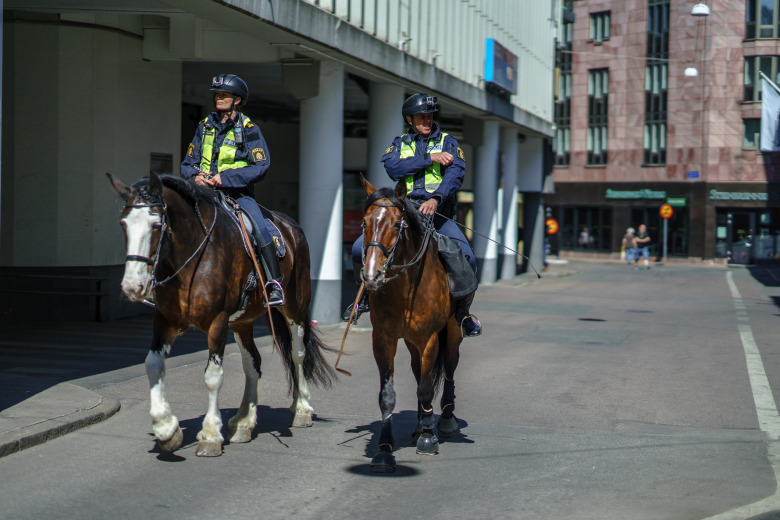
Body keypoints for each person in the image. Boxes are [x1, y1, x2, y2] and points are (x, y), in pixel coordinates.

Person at [343, 93, 481, 337]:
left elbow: (455, 175)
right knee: (357, 249)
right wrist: (430, 158)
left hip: (437, 212)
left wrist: (436, 199)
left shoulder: (448, 142)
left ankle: (463, 314)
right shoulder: (400, 143)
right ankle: (363, 299)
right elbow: (394, 168)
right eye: (421, 117)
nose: (427, 121)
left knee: (467, 257)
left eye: (429, 116)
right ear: (410, 120)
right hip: (405, 211)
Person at [180, 74, 284, 306]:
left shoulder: (249, 129)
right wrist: (195, 177)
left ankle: (274, 284)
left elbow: (261, 166)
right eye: (217, 94)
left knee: (258, 227)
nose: (218, 98)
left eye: (224, 95)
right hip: (202, 193)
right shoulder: (204, 126)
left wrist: (225, 178)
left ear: (237, 100)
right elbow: (187, 163)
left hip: (236, 194)